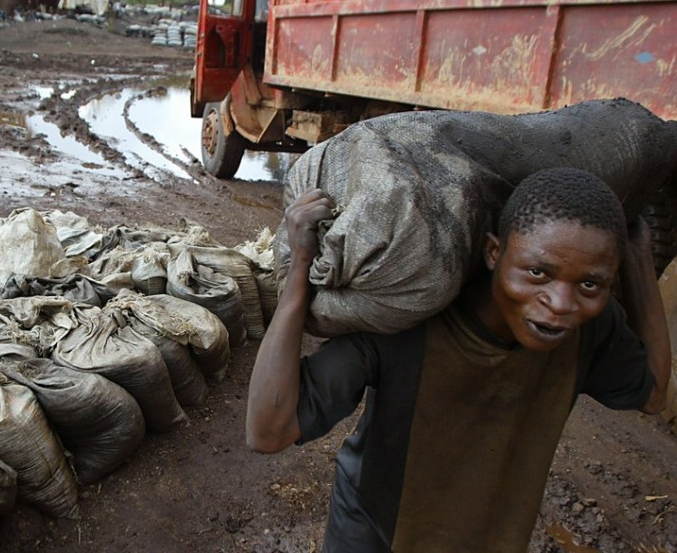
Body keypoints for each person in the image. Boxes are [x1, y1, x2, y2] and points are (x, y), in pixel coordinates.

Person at [246, 167, 670, 552]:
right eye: (538, 272)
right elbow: (269, 429)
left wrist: (637, 261)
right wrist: (300, 265)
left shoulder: (590, 330)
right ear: (492, 252)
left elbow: (651, 393)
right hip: (372, 530)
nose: (561, 303)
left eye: (591, 284)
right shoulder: (411, 321)